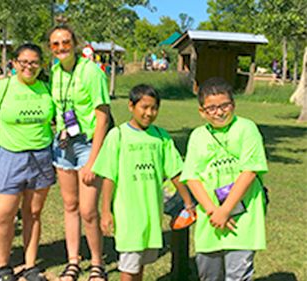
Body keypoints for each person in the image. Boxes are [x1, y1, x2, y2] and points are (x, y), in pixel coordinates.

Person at [93, 85, 194, 281]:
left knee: (139, 265)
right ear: (131, 106)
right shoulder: (118, 135)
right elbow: (108, 177)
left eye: (154, 108)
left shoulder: (161, 136)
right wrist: (105, 211)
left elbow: (175, 172)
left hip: (151, 214)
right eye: (144, 107)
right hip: (128, 215)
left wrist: (188, 202)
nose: (149, 113)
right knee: (129, 267)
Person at [180, 77, 268, 281]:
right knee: (208, 276)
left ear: (233, 105)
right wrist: (214, 211)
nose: (219, 112)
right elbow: (192, 177)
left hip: (242, 220)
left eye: (224, 106)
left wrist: (226, 210)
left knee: (238, 276)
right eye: (211, 108)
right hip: (210, 221)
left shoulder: (247, 129)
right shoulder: (197, 136)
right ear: (202, 111)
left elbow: (250, 171)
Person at [48, 25, 111, 281]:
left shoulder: (91, 71)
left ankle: (97, 263)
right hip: (63, 145)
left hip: (87, 145)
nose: (61, 47)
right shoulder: (54, 72)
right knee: (70, 205)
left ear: (74, 43)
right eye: (55, 44)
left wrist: (94, 160)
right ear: (50, 48)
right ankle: (73, 261)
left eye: (65, 42)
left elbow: (102, 115)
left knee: (88, 210)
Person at [0, 43, 55, 281]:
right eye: (23, 62)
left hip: (41, 156)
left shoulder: (47, 89)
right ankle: (4, 266)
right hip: (11, 156)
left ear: (41, 65)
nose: (29, 66)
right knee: (4, 214)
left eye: (34, 62)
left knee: (33, 213)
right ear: (14, 63)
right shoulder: (1, 88)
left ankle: (30, 266)